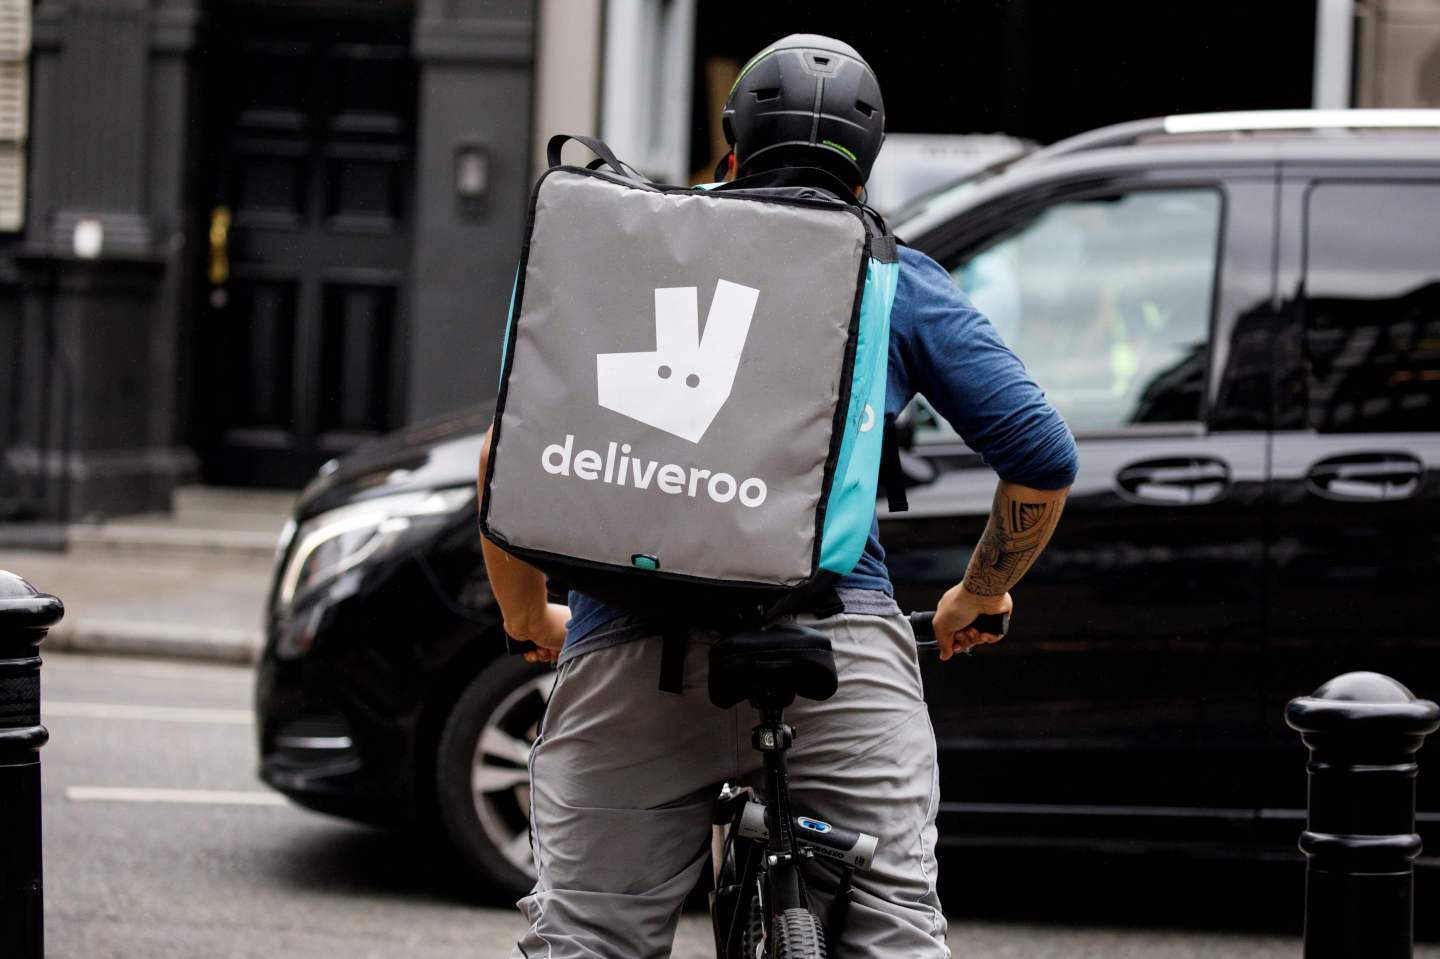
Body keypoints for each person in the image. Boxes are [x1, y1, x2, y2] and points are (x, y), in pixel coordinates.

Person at [479, 34, 1078, 959]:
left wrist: (529, 614)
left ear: (732, 152)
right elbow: (1041, 456)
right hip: (835, 654)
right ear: (865, 175)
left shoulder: (636, 254)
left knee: (588, 937)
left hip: (633, 654)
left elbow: (507, 458)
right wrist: (981, 590)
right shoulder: (890, 275)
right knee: (894, 933)